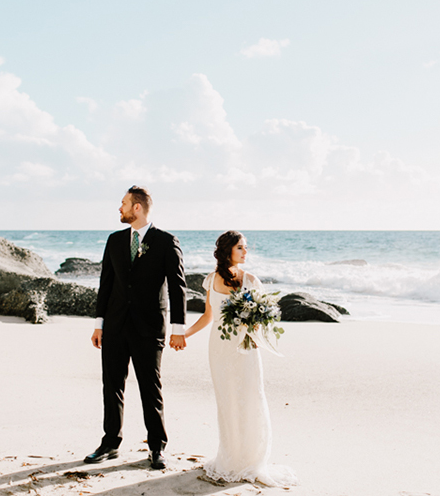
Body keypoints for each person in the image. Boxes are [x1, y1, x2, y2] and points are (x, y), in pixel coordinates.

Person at [84, 186, 187, 470]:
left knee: (149, 388)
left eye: (124, 203)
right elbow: (106, 284)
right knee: (112, 385)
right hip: (115, 325)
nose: (120, 208)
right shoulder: (115, 240)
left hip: (149, 327)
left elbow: (178, 287)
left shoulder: (166, 242)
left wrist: (178, 327)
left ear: (137, 207)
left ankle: (156, 447)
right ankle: (110, 443)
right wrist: (99, 324)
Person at [185, 231, 297, 486]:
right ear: (228, 251)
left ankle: (251, 458)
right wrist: (184, 335)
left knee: (249, 397)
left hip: (245, 348)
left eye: (245, 248)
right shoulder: (211, 279)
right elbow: (207, 316)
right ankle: (230, 457)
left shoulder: (251, 280)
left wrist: (254, 324)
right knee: (227, 401)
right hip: (219, 347)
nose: (246, 252)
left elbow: (262, 320)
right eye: (241, 248)